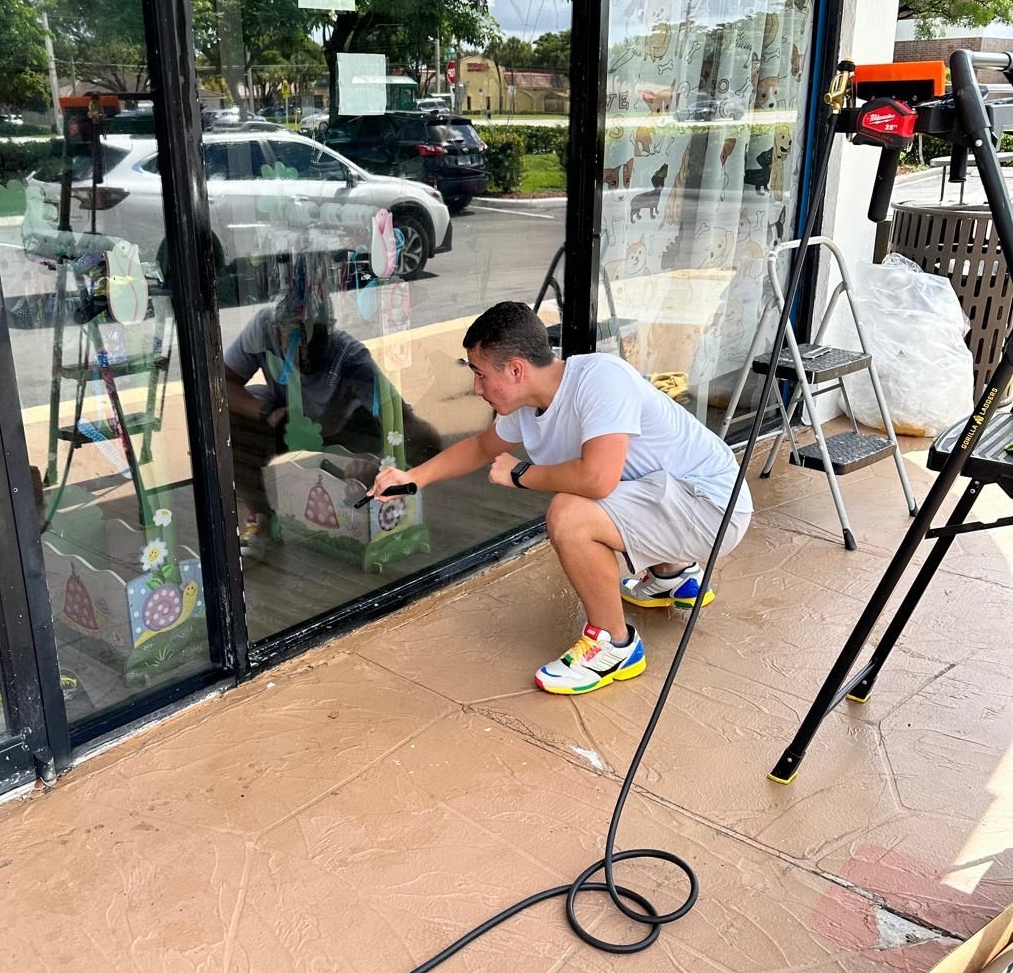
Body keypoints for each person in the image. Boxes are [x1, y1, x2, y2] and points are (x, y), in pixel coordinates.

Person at [369, 300, 752, 694]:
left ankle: (614, 645)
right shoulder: (529, 401)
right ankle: (671, 575)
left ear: (516, 369)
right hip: (677, 496)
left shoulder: (599, 380)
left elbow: (598, 480)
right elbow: (482, 447)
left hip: (714, 510)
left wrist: (521, 474)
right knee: (610, 485)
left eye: (481, 375)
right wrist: (413, 478)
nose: (476, 387)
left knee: (570, 513)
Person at [224, 281, 441, 554]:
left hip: (342, 429)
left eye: (312, 340)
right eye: (293, 338)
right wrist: (266, 412)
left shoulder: (349, 355)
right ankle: (262, 518)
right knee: (226, 420)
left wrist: (389, 464)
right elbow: (221, 384)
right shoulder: (263, 328)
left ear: (329, 330)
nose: (302, 351)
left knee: (396, 451)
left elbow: (399, 416)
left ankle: (372, 517)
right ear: (276, 328)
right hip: (284, 418)